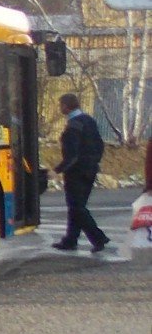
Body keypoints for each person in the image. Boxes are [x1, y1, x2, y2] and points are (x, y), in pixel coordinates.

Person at [51, 93, 118, 257]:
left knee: (76, 207)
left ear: (67, 106)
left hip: (76, 172)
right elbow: (99, 146)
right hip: (91, 170)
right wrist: (93, 162)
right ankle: (70, 240)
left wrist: (57, 170)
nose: (60, 108)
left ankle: (98, 238)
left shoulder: (74, 126)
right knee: (77, 207)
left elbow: (72, 155)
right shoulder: (89, 121)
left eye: (61, 105)